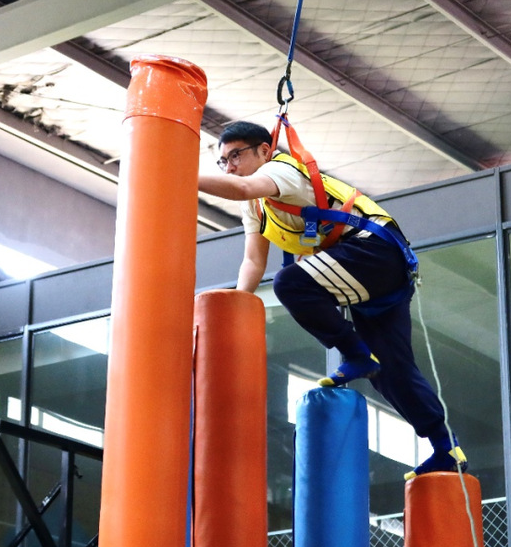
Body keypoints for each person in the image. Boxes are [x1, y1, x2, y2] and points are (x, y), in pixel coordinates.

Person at [197, 120, 466, 479]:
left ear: (264, 150)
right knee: (391, 371)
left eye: (236, 156)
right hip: (372, 275)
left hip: (375, 252)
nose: (229, 167)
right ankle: (446, 448)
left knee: (291, 283)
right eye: (223, 162)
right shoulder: (256, 206)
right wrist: (234, 305)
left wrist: (185, 177)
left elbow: (242, 186)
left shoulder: (281, 171)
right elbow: (253, 261)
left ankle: (355, 354)